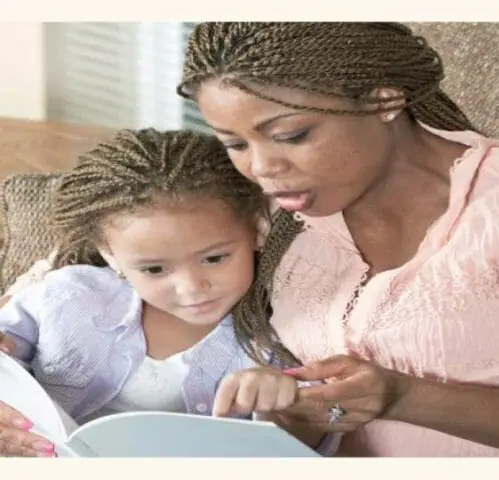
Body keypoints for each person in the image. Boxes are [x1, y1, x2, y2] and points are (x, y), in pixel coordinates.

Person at [174, 22, 499, 457]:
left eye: (291, 135)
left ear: (383, 101)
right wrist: (287, 409)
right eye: (235, 144)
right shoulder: (286, 219)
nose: (260, 168)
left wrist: (404, 397)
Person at [0, 128, 330, 457]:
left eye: (214, 258)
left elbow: (309, 445)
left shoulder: (277, 339)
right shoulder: (67, 295)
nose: (192, 288)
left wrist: (280, 405)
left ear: (257, 228)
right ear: (109, 253)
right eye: (154, 269)